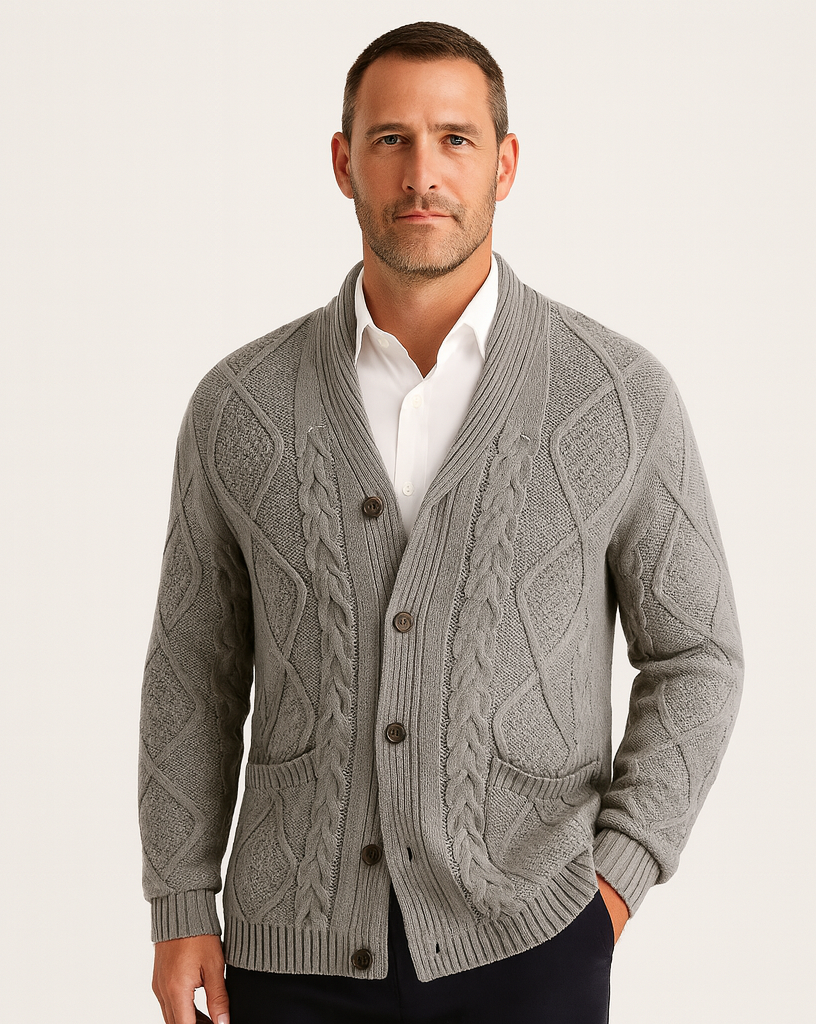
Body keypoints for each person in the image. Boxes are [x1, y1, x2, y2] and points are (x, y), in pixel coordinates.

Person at [139, 21, 744, 1024]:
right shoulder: (240, 406)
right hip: (290, 947)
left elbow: (698, 655)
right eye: (392, 140)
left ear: (504, 164)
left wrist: (616, 881)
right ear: (344, 162)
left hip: (534, 940)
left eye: (455, 139)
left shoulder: (616, 395)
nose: (422, 173)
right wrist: (178, 901)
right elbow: (190, 670)